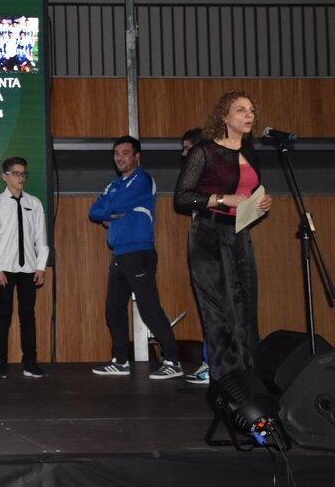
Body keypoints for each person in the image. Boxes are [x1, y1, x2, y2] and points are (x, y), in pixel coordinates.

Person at [175, 92, 272, 385]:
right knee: (220, 311)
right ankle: (226, 380)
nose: (249, 115)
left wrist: (261, 205)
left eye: (251, 110)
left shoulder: (249, 151)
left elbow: (248, 195)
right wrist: (221, 198)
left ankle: (250, 379)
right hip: (209, 235)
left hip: (240, 234)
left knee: (246, 308)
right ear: (224, 117)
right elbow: (182, 197)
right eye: (241, 110)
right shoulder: (204, 151)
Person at [88, 136, 183, 379]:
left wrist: (110, 211)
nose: (119, 157)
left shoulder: (143, 180)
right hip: (119, 254)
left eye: (125, 153)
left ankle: (173, 361)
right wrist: (110, 213)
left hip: (139, 253)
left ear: (137, 156)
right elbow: (94, 211)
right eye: (116, 153)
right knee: (113, 310)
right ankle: (121, 361)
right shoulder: (114, 185)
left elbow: (114, 205)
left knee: (149, 309)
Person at [0, 156, 50, 378]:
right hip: (5, 268)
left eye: (23, 174)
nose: (20, 178)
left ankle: (30, 362)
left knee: (28, 315)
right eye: (16, 174)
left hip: (29, 268)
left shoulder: (34, 203)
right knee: (3, 315)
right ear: (5, 176)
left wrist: (41, 266)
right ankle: (0, 362)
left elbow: (41, 238)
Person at [179, 127, 211, 385]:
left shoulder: (214, 180)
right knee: (217, 312)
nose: (183, 153)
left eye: (187, 148)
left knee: (220, 312)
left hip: (217, 252)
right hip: (205, 250)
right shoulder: (199, 180)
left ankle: (214, 364)